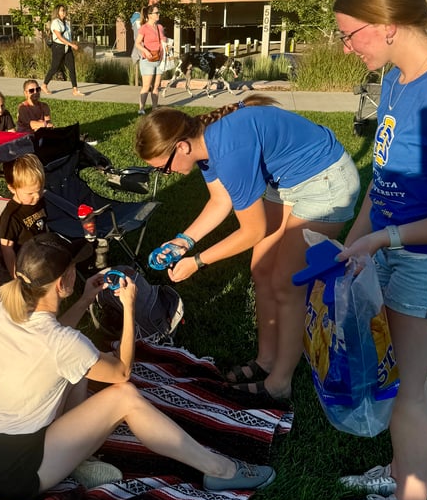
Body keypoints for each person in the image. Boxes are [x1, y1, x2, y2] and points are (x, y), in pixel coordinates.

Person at [0, 232, 276, 500]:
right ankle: (219, 470)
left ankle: (76, 459)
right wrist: (129, 308)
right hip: (19, 474)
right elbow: (121, 372)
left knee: (82, 365)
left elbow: (53, 344)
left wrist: (87, 298)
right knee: (124, 396)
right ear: (63, 282)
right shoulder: (62, 342)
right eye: (73, 267)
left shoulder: (6, 308)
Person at [135, 96, 360, 403]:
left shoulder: (227, 151)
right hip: (289, 183)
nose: (167, 174)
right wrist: (183, 241)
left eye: (164, 168)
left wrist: (197, 261)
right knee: (261, 269)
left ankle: (280, 383)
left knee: (286, 283)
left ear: (181, 147)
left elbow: (253, 231)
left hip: (326, 183)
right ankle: (266, 360)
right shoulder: (204, 143)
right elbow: (219, 202)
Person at [333, 0, 427, 500]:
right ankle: (404, 470)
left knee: (409, 384)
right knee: (405, 376)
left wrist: (386, 239)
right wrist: (353, 245)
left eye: (349, 33)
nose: (346, 46)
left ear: (388, 24)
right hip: (390, 248)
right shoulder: (397, 79)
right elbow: (381, 182)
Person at [0, 153, 49, 282]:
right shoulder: (11, 216)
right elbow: (7, 249)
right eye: (30, 193)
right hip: (20, 267)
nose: (37, 196)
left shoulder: (38, 201)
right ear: (12, 188)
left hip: (36, 258)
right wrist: (16, 276)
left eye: (40, 189)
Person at [42, 4, 85, 98]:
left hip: (67, 47)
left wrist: (71, 43)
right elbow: (59, 37)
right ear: (57, 12)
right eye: (62, 10)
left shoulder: (66, 22)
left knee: (72, 68)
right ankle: (44, 85)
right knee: (54, 67)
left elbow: (67, 36)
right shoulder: (55, 22)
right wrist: (71, 45)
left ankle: (75, 90)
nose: (64, 12)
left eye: (65, 10)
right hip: (58, 47)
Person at [135, 4, 167, 115]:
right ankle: (141, 109)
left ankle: (154, 108)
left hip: (159, 59)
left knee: (156, 86)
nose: (158, 14)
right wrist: (146, 51)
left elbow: (163, 41)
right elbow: (137, 43)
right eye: (156, 13)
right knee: (146, 86)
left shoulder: (160, 27)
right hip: (148, 60)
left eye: (158, 12)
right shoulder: (144, 28)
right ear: (149, 15)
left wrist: (166, 44)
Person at [130, 0, 159, 65]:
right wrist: (145, 54)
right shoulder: (138, 17)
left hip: (153, 55)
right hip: (144, 56)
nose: (158, 0)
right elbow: (138, 39)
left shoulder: (155, 15)